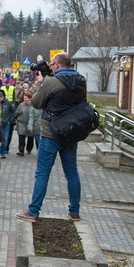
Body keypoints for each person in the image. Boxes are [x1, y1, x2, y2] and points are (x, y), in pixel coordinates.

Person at [18, 52, 86, 222]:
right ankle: (74, 211)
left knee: (42, 173)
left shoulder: (51, 82)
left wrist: (40, 83)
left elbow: (36, 103)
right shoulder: (81, 80)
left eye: (52, 64)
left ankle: (33, 212)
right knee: (72, 173)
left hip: (51, 133)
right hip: (71, 132)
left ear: (56, 64)